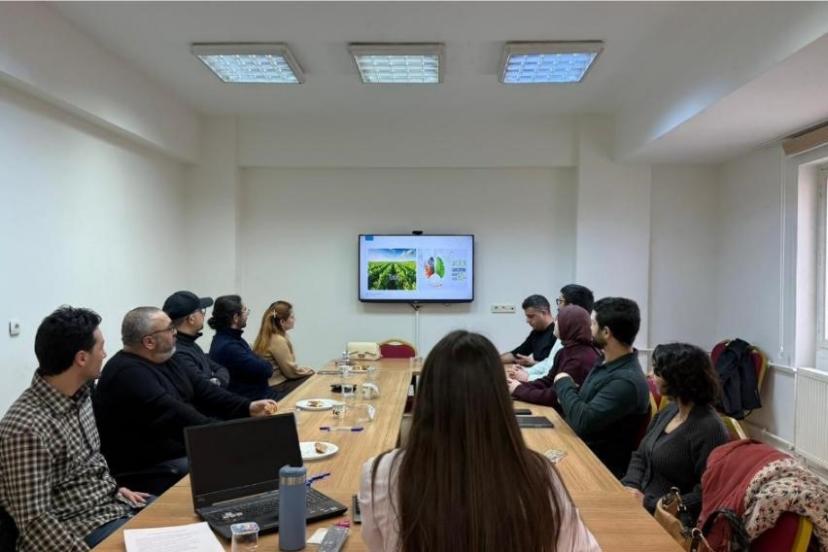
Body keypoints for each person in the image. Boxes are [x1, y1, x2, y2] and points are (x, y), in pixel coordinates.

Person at [358, 330, 599, 552]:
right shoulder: (538, 474)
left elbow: (377, 545)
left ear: (426, 395)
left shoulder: (379, 473)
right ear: (500, 397)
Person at [0, 306, 150, 551]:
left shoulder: (81, 394)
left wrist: (115, 490)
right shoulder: (26, 428)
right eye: (101, 347)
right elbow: (35, 522)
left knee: (186, 524)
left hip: (111, 506)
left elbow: (90, 462)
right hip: (78, 530)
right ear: (81, 358)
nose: (105, 353)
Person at [93, 307, 276, 494]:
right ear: (149, 342)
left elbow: (206, 391)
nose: (175, 333)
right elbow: (178, 416)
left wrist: (248, 407)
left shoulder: (167, 357)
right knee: (239, 465)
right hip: (151, 467)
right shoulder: (128, 373)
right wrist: (237, 436)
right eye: (169, 329)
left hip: (179, 450)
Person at [621, 343, 728, 521]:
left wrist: (649, 503)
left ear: (677, 379)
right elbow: (640, 456)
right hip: (641, 504)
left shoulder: (710, 429)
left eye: (657, 372)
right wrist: (630, 487)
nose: (651, 375)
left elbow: (706, 494)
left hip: (668, 519)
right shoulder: (670, 410)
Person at [553, 297, 650, 478]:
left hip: (598, 469)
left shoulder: (626, 381)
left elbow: (582, 421)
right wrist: (571, 395)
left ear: (606, 332)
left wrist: (563, 382)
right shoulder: (604, 361)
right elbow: (583, 403)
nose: (589, 328)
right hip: (578, 450)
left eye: (593, 324)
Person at [507, 305, 600, 412]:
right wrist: (516, 385)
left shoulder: (580, 358)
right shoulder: (564, 351)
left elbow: (555, 396)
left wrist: (519, 390)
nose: (554, 323)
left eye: (558, 321)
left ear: (568, 325)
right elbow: (548, 381)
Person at [510, 284, 595, 382]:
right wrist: (527, 371)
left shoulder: (578, 342)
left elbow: (553, 380)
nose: (558, 306)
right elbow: (549, 363)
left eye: (560, 301)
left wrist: (527, 377)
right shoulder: (565, 332)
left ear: (571, 307)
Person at [162, 290, 230, 387]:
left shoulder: (191, 344)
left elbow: (221, 369)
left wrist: (216, 380)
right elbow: (206, 389)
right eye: (201, 311)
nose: (203, 315)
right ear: (191, 319)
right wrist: (217, 382)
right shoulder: (179, 353)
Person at [252, 301, 314, 400]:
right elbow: (290, 373)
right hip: (277, 386)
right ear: (282, 322)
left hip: (269, 385)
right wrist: (310, 372)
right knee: (313, 379)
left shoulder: (266, 336)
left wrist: (302, 370)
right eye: (292, 317)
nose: (294, 320)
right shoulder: (278, 340)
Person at [499, 294, 556, 367]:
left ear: (544, 312)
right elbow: (516, 354)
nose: (527, 320)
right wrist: (492, 359)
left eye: (531, 316)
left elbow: (559, 366)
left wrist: (533, 363)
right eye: (527, 316)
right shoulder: (536, 332)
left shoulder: (559, 332)